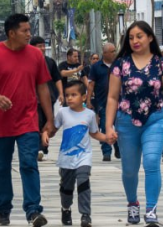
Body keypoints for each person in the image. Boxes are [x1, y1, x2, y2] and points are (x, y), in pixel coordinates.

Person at [105, 21, 163, 227]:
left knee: (152, 162)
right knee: (129, 169)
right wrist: (108, 126)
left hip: (156, 119)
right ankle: (133, 203)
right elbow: (112, 98)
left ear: (150, 37)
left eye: (139, 36)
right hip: (126, 121)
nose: (135, 41)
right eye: (131, 37)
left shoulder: (162, 64)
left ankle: (151, 209)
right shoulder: (120, 64)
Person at [0, 14, 56, 227]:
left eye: (29, 30)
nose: (29, 34)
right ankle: (3, 208)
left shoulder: (35, 55)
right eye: (25, 31)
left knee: (29, 163)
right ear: (11, 33)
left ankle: (33, 211)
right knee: (1, 167)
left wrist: (49, 119)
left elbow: (42, 88)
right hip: (1, 122)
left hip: (28, 120)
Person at [43, 80, 106, 227]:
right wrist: (45, 133)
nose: (69, 98)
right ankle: (66, 208)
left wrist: (107, 138)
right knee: (67, 188)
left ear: (83, 97)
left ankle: (85, 215)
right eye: (67, 95)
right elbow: (53, 129)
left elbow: (94, 133)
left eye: (74, 95)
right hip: (66, 159)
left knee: (83, 183)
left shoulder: (90, 114)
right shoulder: (63, 112)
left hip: (84, 157)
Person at [86, 42, 119, 162]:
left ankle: (118, 146)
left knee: (120, 126)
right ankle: (106, 152)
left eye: (115, 50)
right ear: (105, 53)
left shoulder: (119, 65)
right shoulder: (96, 67)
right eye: (113, 51)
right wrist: (88, 100)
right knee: (105, 126)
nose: (115, 53)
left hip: (121, 103)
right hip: (103, 103)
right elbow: (91, 84)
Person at [33, 36, 62, 162]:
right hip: (34, 99)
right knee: (37, 124)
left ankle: (43, 148)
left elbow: (57, 78)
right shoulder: (28, 61)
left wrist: (61, 93)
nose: (43, 48)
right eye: (40, 46)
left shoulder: (50, 62)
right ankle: (39, 148)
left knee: (48, 123)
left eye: (43, 46)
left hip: (50, 98)